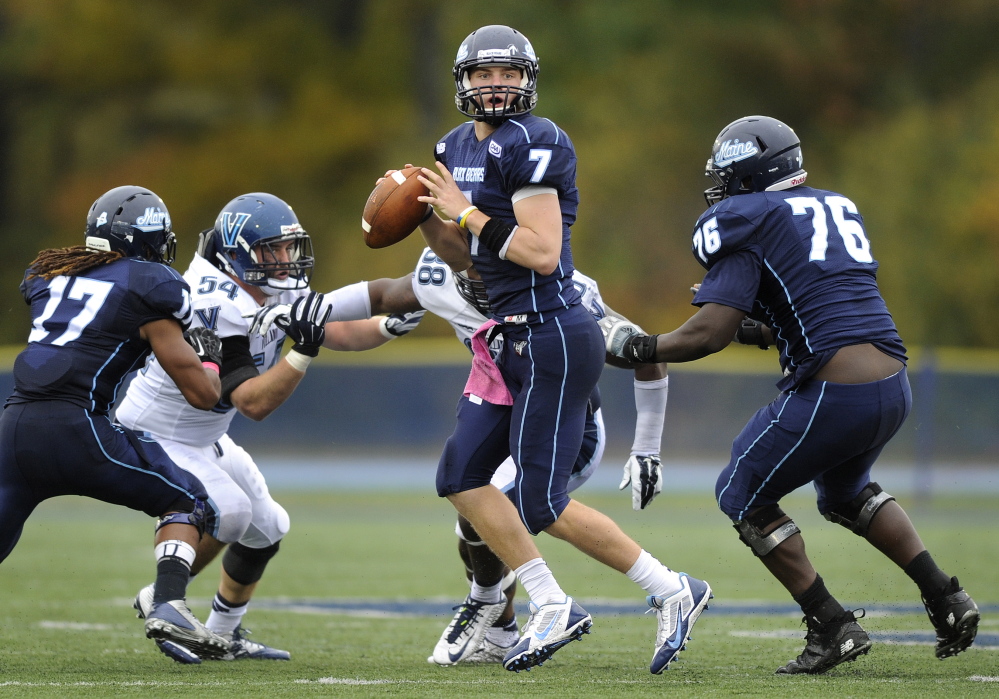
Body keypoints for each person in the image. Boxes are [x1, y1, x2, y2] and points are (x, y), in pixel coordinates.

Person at [601, 115, 980, 674]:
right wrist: (753, 325)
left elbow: (709, 334)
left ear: (745, 176)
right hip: (891, 383)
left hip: (837, 390)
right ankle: (947, 598)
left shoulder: (743, 219)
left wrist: (639, 347)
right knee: (846, 492)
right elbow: (809, 313)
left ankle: (832, 624)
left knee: (739, 488)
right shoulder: (830, 206)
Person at [393, 25, 713, 674]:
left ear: (527, 78)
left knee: (542, 504)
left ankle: (672, 588)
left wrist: (461, 213)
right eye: (482, 74)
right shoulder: (452, 147)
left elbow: (539, 252)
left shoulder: (539, 142)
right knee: (458, 477)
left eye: (507, 72)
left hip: (550, 329)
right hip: (502, 335)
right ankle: (549, 600)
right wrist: (423, 216)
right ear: (463, 82)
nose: (495, 84)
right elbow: (467, 255)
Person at [329, 247, 670, 665]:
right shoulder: (439, 275)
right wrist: (309, 313)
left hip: (568, 422)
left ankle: (658, 588)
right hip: (508, 408)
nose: (477, 277)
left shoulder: (560, 288)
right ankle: (501, 623)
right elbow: (379, 300)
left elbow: (646, 352)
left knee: (520, 506)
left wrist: (647, 447)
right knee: (465, 494)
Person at [117, 192, 392, 662]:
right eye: (272, 250)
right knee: (233, 511)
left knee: (268, 527)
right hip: (157, 430)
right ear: (237, 253)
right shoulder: (210, 299)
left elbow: (336, 329)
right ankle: (162, 596)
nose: (284, 260)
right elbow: (251, 403)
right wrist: (301, 353)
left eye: (287, 248)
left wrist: (390, 324)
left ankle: (223, 635)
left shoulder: (271, 285)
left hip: (202, 434)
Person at [0, 186, 229, 665]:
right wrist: (208, 357)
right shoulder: (150, 286)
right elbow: (203, 396)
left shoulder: (52, 275)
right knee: (186, 499)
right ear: (146, 241)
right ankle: (167, 601)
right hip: (76, 428)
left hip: (14, 426)